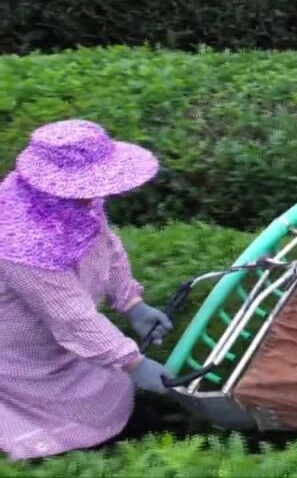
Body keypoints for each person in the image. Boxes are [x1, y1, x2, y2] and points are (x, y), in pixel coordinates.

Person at [1, 120, 175, 462]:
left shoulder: (73, 201)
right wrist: (133, 363)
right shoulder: (17, 240)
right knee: (48, 415)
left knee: (98, 387)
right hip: (16, 350)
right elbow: (70, 317)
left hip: (56, 340)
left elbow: (106, 244)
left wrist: (131, 302)